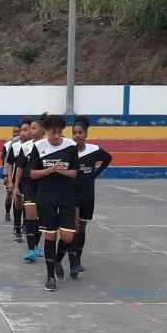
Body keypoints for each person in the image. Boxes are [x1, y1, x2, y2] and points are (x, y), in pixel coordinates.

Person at [28, 115, 79, 291]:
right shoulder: (38, 147)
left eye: (59, 132)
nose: (57, 135)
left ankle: (57, 260)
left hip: (67, 196)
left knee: (68, 236)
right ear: (46, 131)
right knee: (50, 235)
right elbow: (33, 174)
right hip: (46, 196)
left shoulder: (70, 146)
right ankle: (50, 276)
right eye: (53, 132)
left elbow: (74, 173)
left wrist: (62, 170)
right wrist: (50, 169)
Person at [70, 117, 112, 275]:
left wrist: (95, 173)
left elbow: (107, 159)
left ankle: (78, 259)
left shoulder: (94, 150)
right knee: (73, 228)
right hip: (71, 193)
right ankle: (73, 262)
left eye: (80, 132)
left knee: (82, 227)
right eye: (75, 133)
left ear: (86, 133)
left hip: (87, 193)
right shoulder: (68, 150)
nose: (77, 135)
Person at [16, 116, 47, 262]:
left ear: (43, 130)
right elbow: (20, 167)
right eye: (31, 128)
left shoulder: (49, 146)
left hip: (44, 185)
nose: (31, 131)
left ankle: (35, 245)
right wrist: (16, 186)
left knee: (40, 218)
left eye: (34, 128)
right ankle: (30, 250)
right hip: (28, 184)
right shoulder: (26, 146)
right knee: (30, 215)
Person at [9, 120, 30, 242]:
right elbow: (10, 164)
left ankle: (26, 225)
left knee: (28, 205)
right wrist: (10, 182)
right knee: (18, 205)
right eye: (21, 130)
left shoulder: (35, 146)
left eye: (25, 130)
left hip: (30, 181)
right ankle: (17, 230)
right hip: (18, 181)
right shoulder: (15, 146)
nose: (22, 133)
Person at [1, 126, 21, 222]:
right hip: (10, 174)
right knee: (9, 195)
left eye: (17, 132)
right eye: (14, 132)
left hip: (20, 174)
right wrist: (5, 175)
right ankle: (7, 212)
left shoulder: (26, 143)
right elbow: (6, 161)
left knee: (19, 197)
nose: (16, 134)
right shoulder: (7, 145)